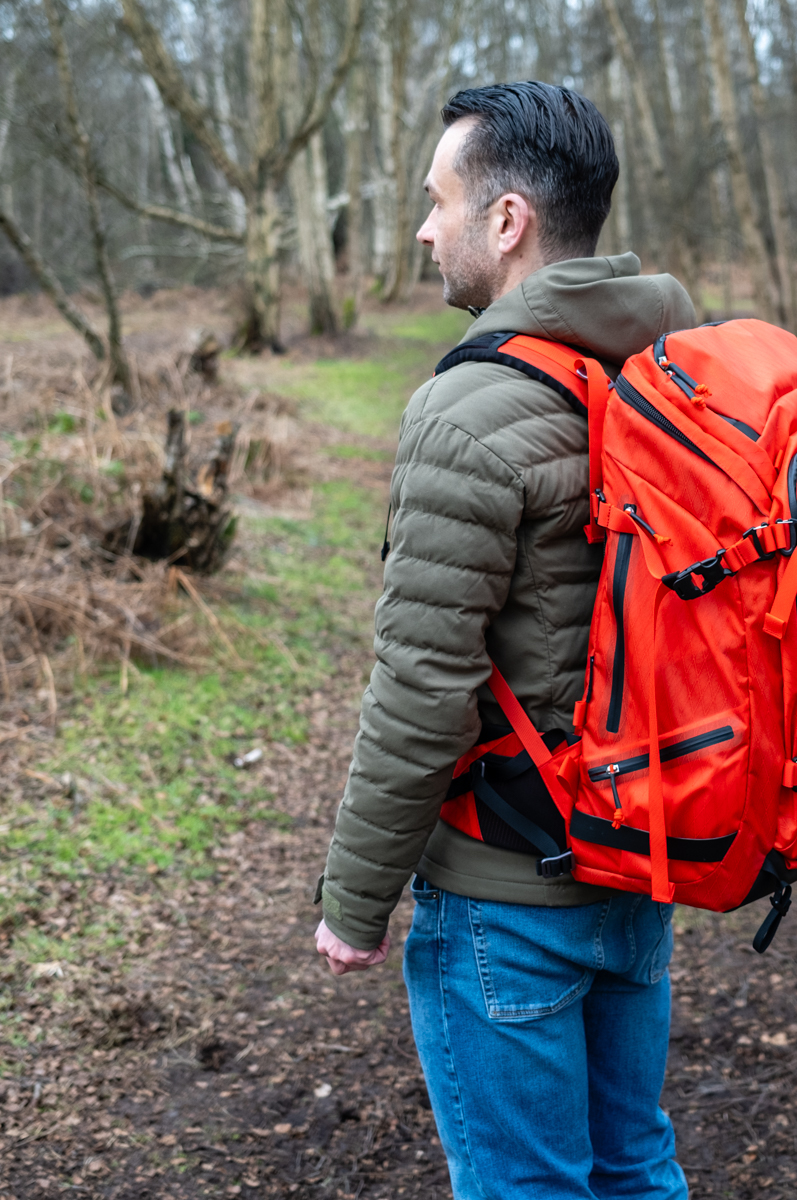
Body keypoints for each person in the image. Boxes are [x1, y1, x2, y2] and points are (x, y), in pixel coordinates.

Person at [310, 81, 696, 1199]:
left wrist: (355, 902)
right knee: (634, 1167)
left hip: (504, 903)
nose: (425, 228)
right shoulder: (670, 369)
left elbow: (425, 687)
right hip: (643, 863)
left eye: (437, 202)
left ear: (508, 219)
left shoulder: (468, 411)